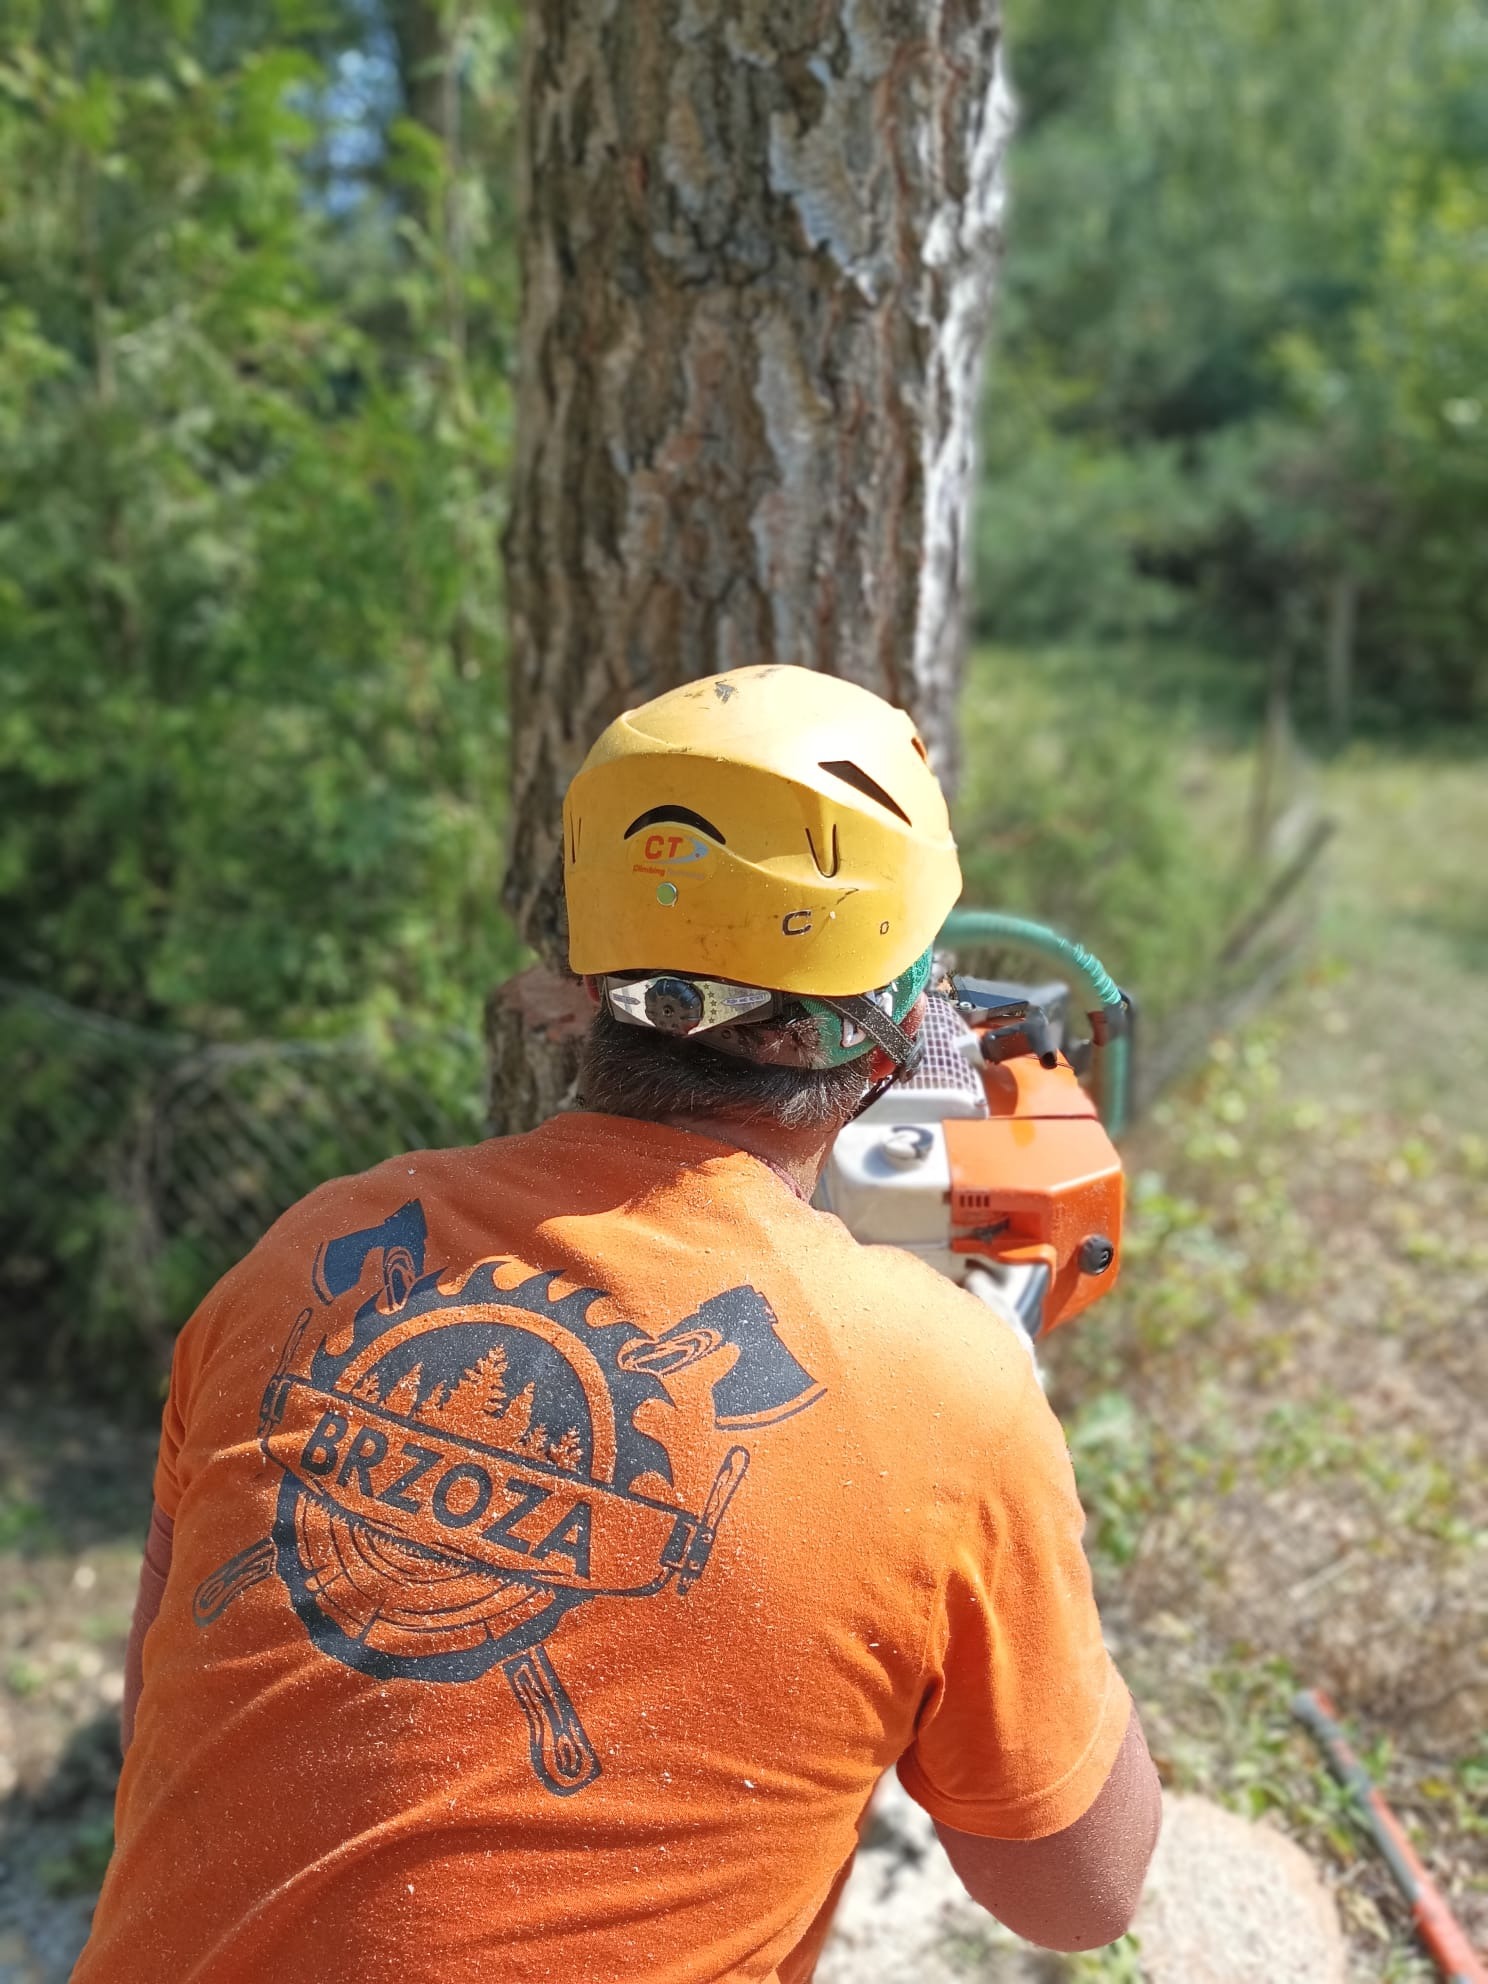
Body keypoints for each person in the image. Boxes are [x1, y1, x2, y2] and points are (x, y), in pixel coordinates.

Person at [76, 665, 1160, 1984]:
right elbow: (1080, 1895)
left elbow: (174, 1719)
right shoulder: (943, 1395)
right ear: (906, 1016)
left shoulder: (308, 1256)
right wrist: (999, 1442)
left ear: (584, 975)